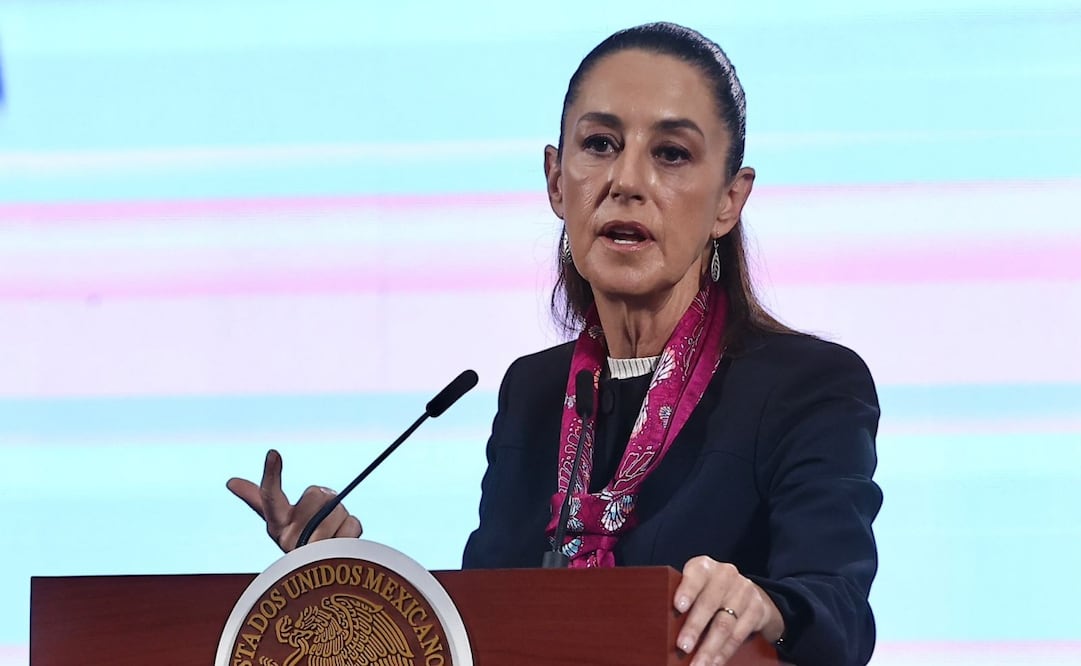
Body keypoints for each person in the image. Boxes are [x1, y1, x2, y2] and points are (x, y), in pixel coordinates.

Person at [228, 22, 882, 666]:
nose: (626, 180)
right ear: (553, 178)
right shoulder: (535, 392)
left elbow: (837, 614)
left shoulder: (807, 384)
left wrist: (765, 606)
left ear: (728, 201)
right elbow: (488, 619)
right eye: (599, 144)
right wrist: (342, 575)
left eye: (671, 154)